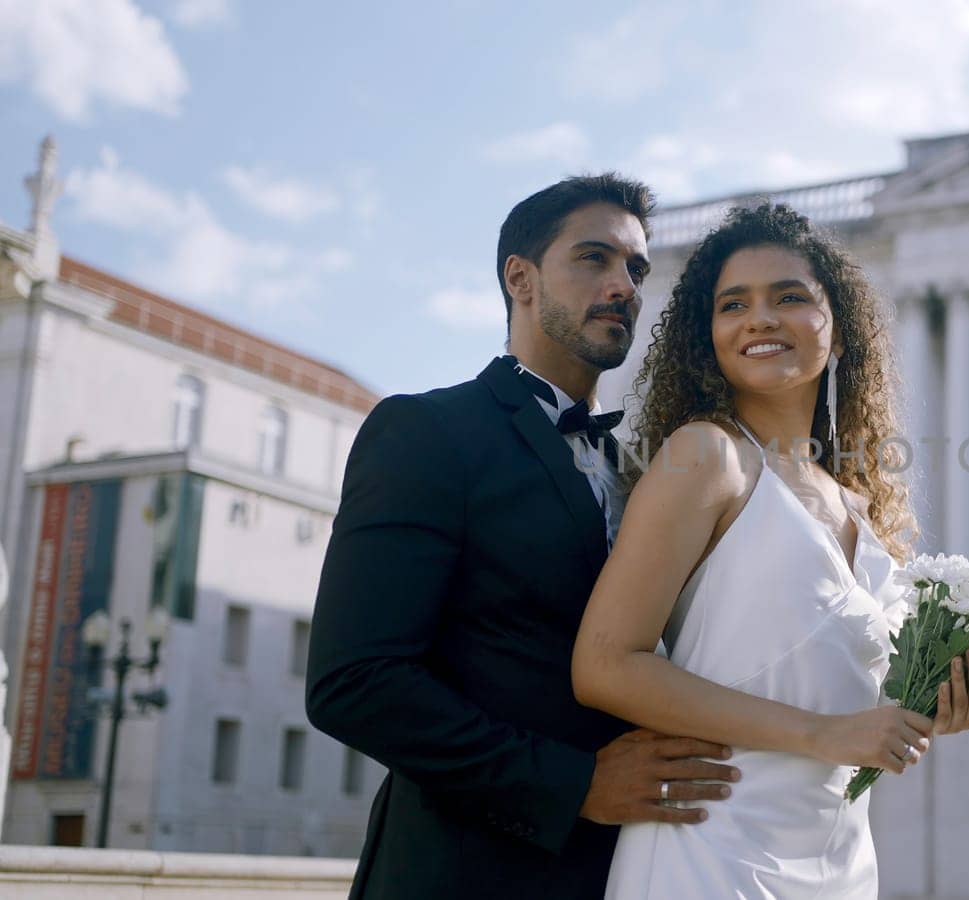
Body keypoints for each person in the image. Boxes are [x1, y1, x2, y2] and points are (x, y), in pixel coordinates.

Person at [306, 175, 740, 899]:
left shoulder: (642, 474)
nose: (624, 285)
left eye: (636, 268)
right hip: (460, 873)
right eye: (594, 258)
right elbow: (353, 683)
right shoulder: (427, 431)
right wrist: (574, 786)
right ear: (522, 278)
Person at [571, 203, 969, 899]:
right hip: (710, 852)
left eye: (790, 297)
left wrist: (945, 699)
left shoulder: (860, 504)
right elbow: (603, 666)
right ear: (707, 336)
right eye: (733, 304)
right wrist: (822, 735)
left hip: (839, 860)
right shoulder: (704, 457)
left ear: (839, 332)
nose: (760, 319)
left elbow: (850, 699)